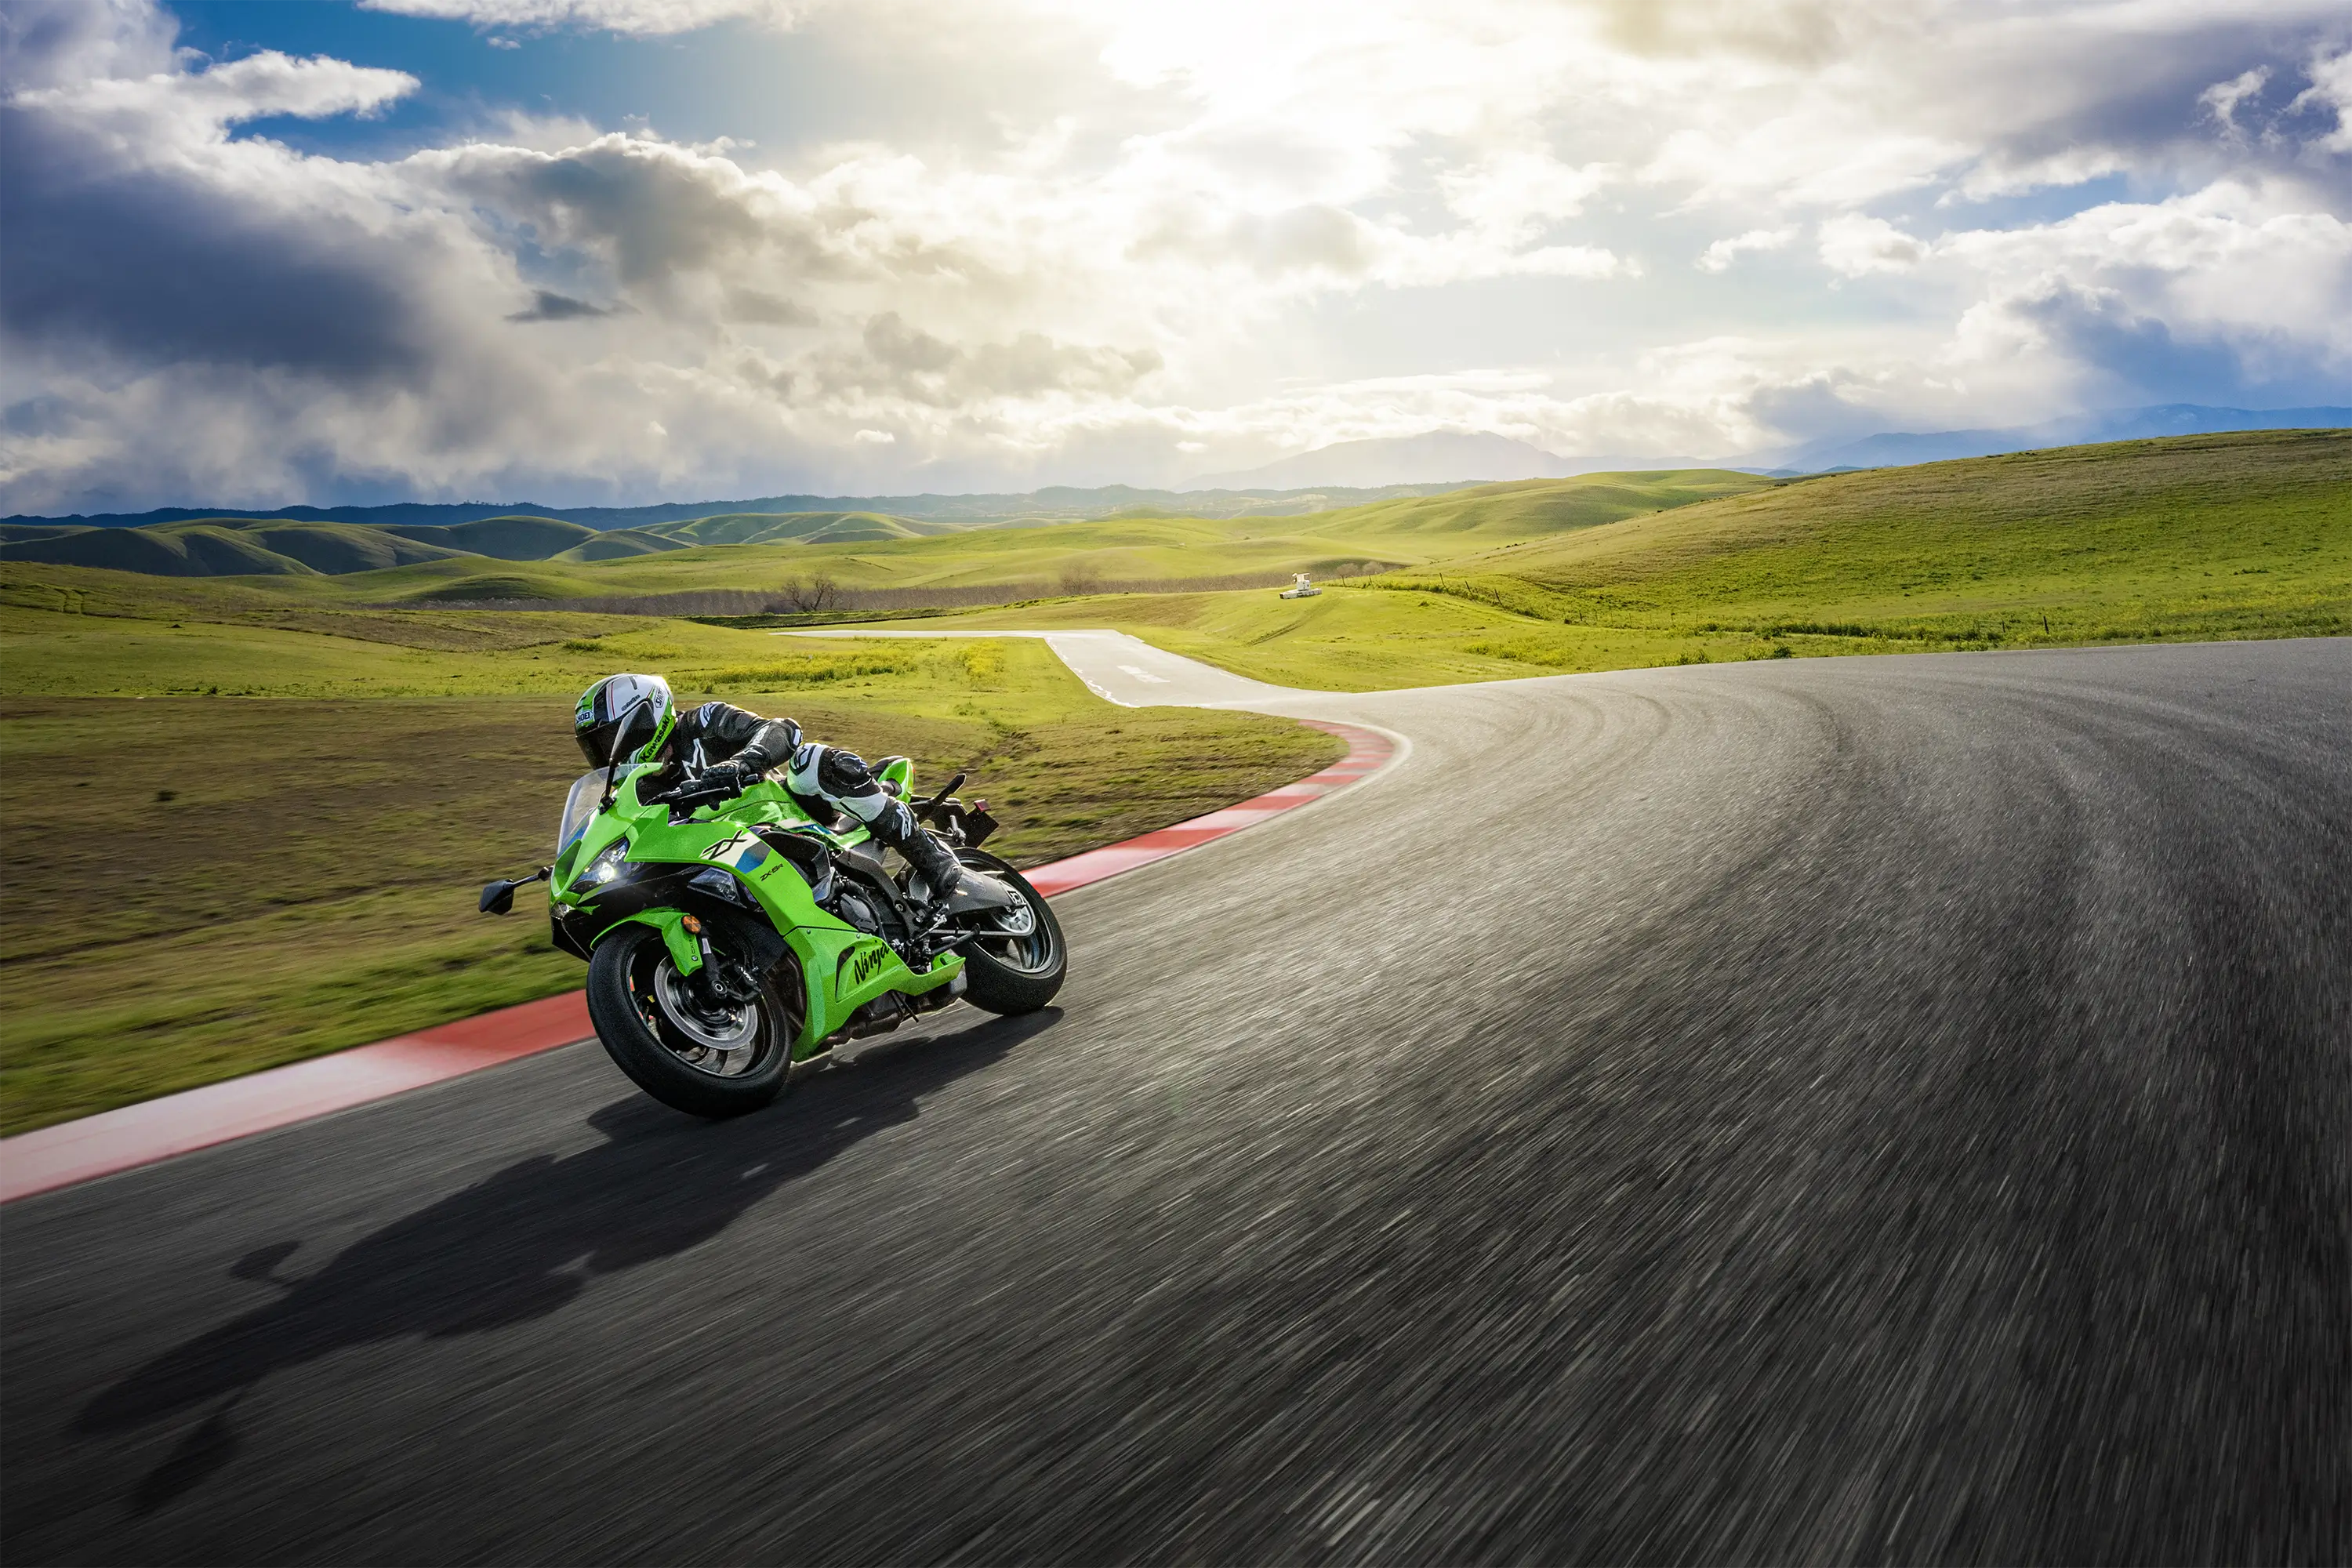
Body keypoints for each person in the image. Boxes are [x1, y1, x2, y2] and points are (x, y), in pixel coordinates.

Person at [572, 672, 964, 901]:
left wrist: (745, 762)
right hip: (726, 856)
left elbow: (782, 730)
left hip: (794, 820)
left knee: (812, 761)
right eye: (598, 748)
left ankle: (934, 859)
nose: (609, 756)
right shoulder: (637, 792)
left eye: (611, 740)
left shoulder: (704, 722)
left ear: (645, 720)